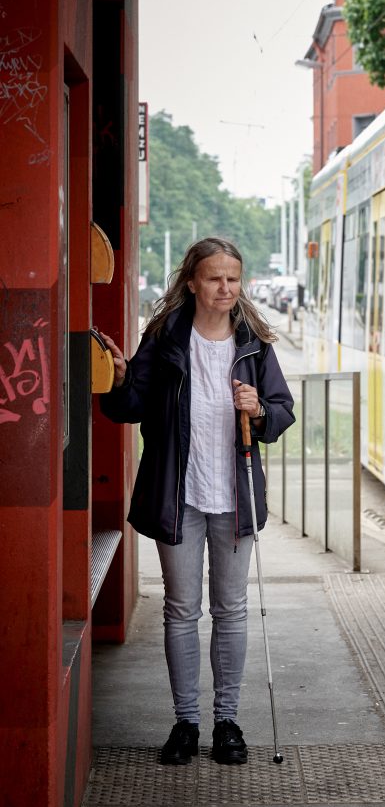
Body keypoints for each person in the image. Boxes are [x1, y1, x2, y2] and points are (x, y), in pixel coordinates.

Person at [99, 237, 295, 767]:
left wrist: (258, 411)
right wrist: (117, 382)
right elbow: (130, 407)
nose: (225, 288)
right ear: (193, 282)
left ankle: (226, 721)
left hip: (234, 498)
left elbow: (282, 413)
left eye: (233, 278)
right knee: (182, 610)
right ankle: (186, 722)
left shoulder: (255, 344)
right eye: (214, 278)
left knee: (231, 610)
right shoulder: (164, 338)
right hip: (177, 495)